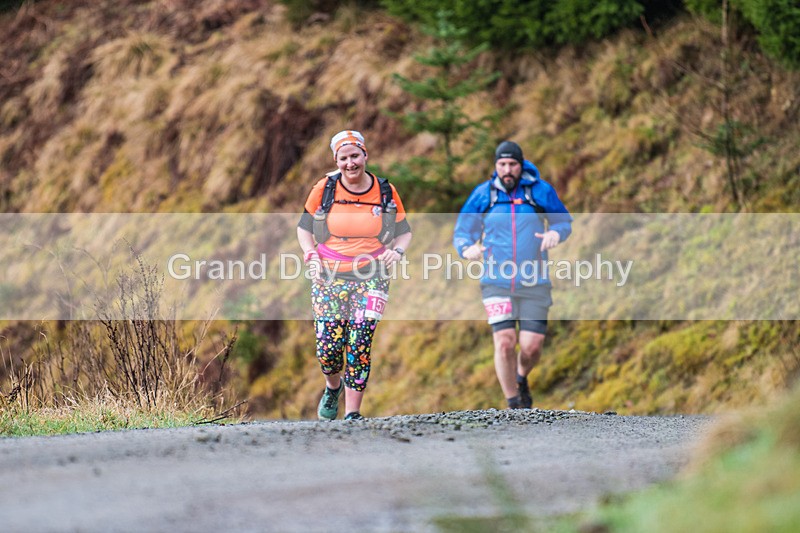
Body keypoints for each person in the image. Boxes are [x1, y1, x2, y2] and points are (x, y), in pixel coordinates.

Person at [297, 130, 412, 421]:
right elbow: (304, 227)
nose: (351, 163)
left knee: (360, 340)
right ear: (336, 160)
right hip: (329, 274)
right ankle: (332, 388)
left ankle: (352, 414)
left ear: (365, 156)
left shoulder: (385, 191)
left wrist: (396, 252)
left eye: (355, 155)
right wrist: (311, 255)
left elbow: (404, 232)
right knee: (329, 349)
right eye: (344, 158)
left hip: (373, 274)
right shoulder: (325, 188)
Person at [453, 141, 572, 409]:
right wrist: (467, 247)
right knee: (505, 343)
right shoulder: (484, 194)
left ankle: (521, 377)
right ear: (495, 166)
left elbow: (563, 221)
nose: (507, 170)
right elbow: (463, 230)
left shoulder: (539, 191)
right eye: (502, 164)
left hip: (535, 280)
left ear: (521, 165)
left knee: (531, 347)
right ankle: (514, 403)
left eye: (512, 164)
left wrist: (555, 233)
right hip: (496, 281)